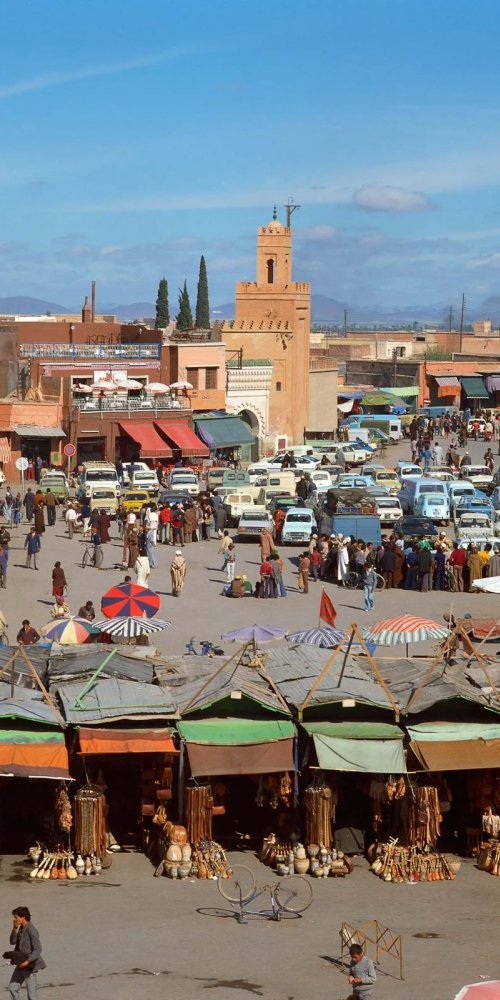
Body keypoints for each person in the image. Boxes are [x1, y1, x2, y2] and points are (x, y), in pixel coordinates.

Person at [5, 905, 46, 999]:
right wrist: (14, 929)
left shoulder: (31, 930)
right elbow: (12, 942)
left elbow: (37, 949)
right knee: (12, 988)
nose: (14, 919)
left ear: (23, 917)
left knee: (32, 995)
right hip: (20, 963)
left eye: (16, 917)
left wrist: (27, 962)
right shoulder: (21, 928)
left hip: (30, 965)